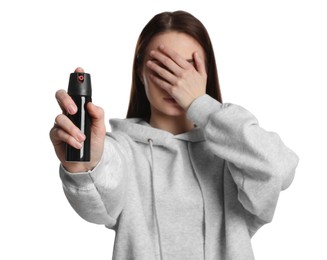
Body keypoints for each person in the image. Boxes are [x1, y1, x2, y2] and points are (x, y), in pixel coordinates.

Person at [50, 10, 299, 260]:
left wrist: (200, 103)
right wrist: (84, 166)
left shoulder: (236, 153)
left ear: (206, 73)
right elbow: (97, 204)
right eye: (162, 66)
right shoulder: (122, 150)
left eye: (186, 67)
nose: (174, 81)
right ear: (140, 72)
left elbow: (278, 169)